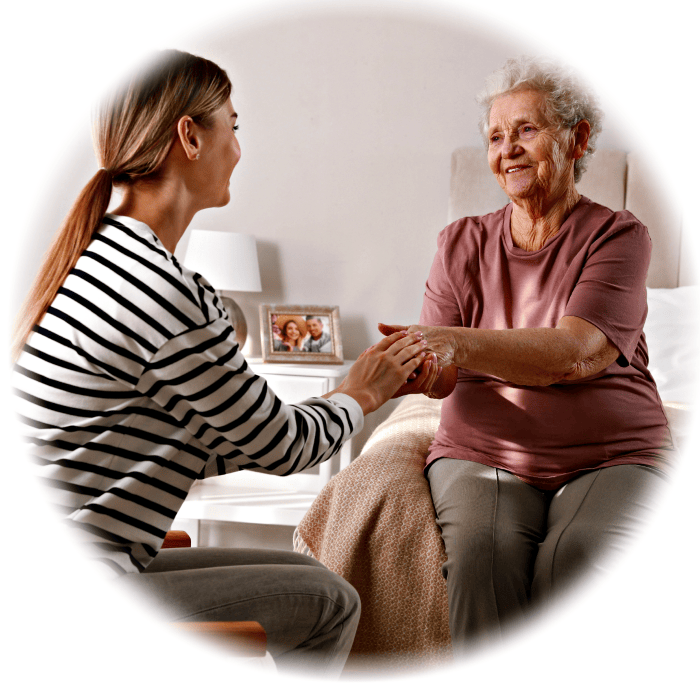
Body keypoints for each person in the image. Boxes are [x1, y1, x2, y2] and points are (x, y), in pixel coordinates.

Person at [11, 49, 434, 677]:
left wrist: (274, 421)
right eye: (233, 126)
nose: (238, 148)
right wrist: (361, 393)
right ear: (190, 135)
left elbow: (175, 444)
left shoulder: (99, 254)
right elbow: (286, 449)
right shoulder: (159, 288)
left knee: (310, 578)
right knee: (330, 603)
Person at [379, 56, 673, 656]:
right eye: (494, 136)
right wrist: (418, 366)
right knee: (483, 556)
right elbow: (442, 376)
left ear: (578, 138)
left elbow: (578, 352)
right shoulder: (460, 242)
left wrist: (455, 342)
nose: (507, 149)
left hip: (611, 453)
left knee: (579, 558)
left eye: (526, 130)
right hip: (483, 449)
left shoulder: (618, 236)